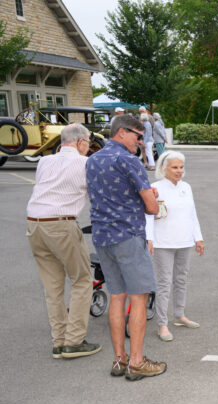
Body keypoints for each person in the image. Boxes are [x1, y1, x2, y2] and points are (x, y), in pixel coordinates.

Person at [86, 115, 166, 381]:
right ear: (121, 132)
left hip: (102, 236)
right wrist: (150, 199)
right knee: (138, 297)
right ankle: (137, 362)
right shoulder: (129, 160)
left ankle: (119, 359)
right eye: (138, 136)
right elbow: (152, 208)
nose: (141, 141)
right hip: (128, 235)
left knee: (117, 297)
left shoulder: (93, 159)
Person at [26, 123, 101, 359]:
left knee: (52, 287)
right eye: (88, 142)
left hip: (34, 223)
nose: (89, 147)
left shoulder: (44, 161)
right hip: (61, 222)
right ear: (80, 142)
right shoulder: (86, 163)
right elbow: (96, 195)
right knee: (82, 280)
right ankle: (74, 342)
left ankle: (59, 341)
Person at [145, 151, 204, 342]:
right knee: (164, 283)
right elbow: (148, 215)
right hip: (163, 243)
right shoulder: (155, 188)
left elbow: (192, 214)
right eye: (174, 167)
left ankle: (179, 314)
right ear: (164, 169)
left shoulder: (186, 187)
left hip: (185, 241)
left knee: (181, 279)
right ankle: (162, 324)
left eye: (181, 167)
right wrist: (149, 238)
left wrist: (198, 238)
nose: (179, 171)